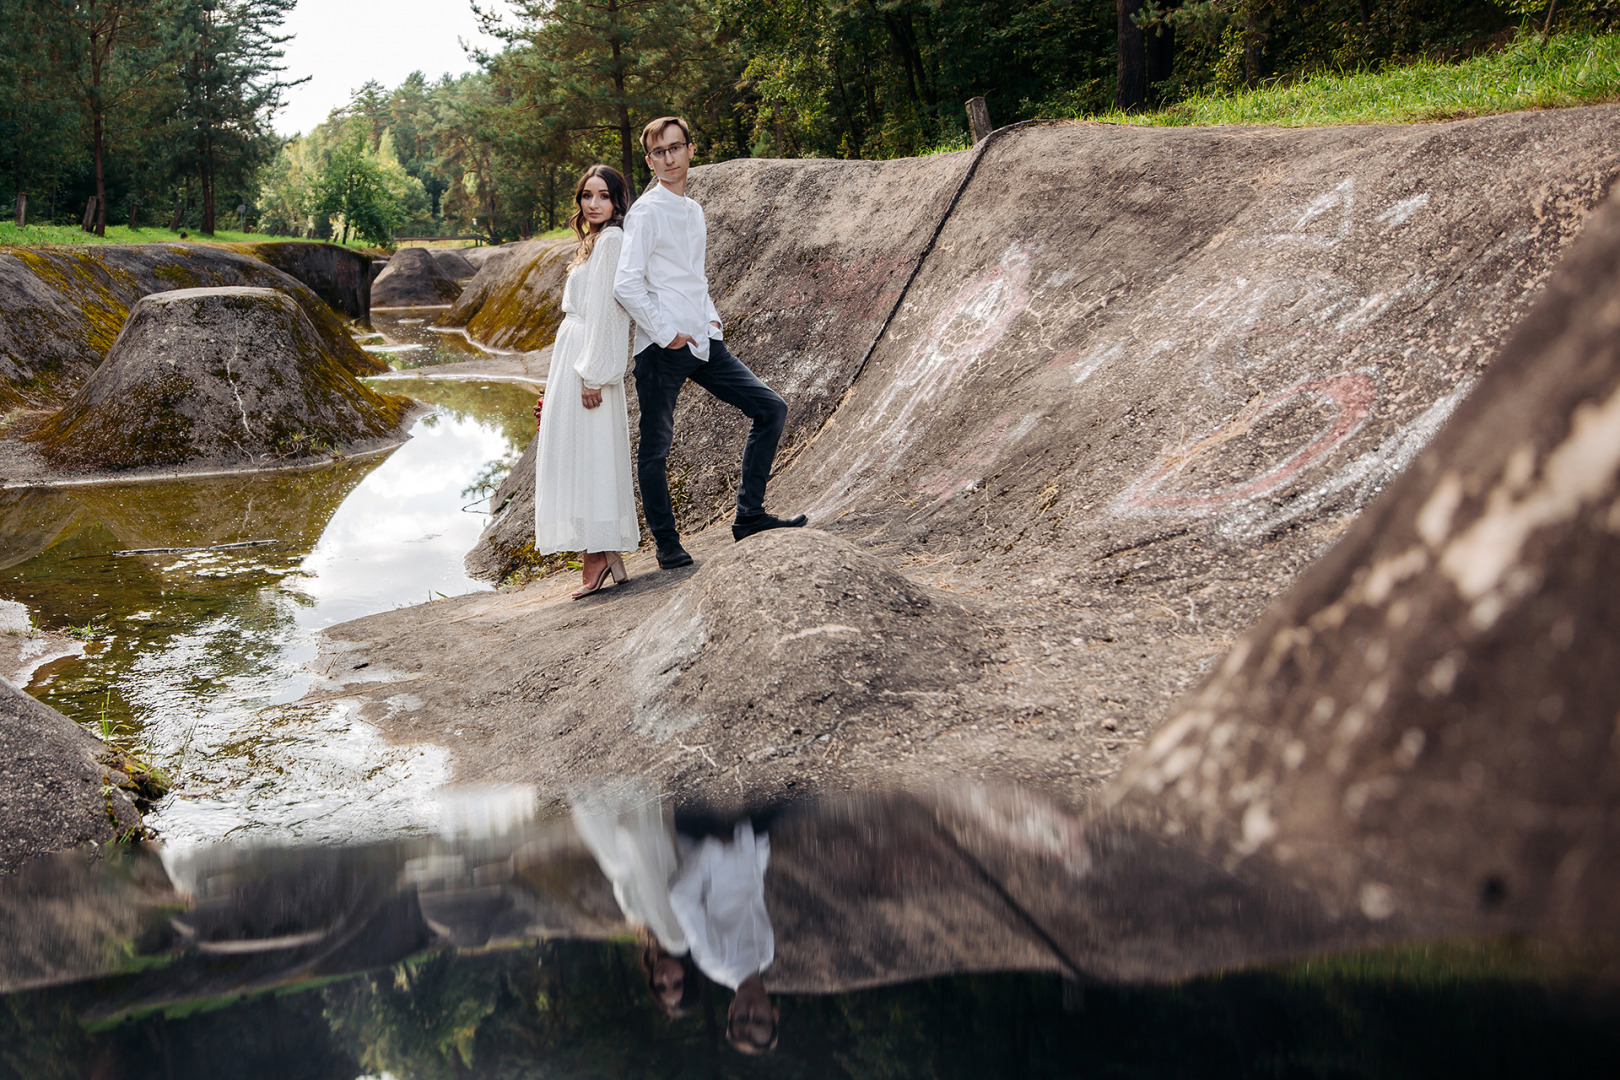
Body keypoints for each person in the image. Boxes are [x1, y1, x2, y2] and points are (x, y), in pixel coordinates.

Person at [614, 116, 806, 570]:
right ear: (650, 160)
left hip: (702, 340)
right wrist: (666, 333)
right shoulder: (645, 212)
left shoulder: (694, 210)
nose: (669, 158)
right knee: (656, 447)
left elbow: (690, 276)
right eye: (659, 152)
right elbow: (626, 285)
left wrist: (710, 318)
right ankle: (667, 545)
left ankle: (750, 516)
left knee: (770, 408)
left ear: (690, 150)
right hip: (661, 350)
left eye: (675, 148)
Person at [533, 165, 641, 598]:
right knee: (579, 452)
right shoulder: (591, 242)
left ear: (617, 201)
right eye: (586, 196)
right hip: (573, 351)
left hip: (587, 360)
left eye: (603, 196)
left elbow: (608, 312)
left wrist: (593, 373)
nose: (593, 204)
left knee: (592, 453)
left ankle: (598, 553)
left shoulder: (612, 239)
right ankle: (600, 549)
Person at [668, 819, 779, 1054]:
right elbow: (754, 889)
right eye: (758, 1019)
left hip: (706, 831)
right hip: (751, 837)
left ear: (730, 1011)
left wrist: (713, 847)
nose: (750, 1010)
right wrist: (761, 848)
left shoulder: (716, 962)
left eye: (742, 1019)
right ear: (773, 1014)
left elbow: (680, 896)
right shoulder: (766, 954)